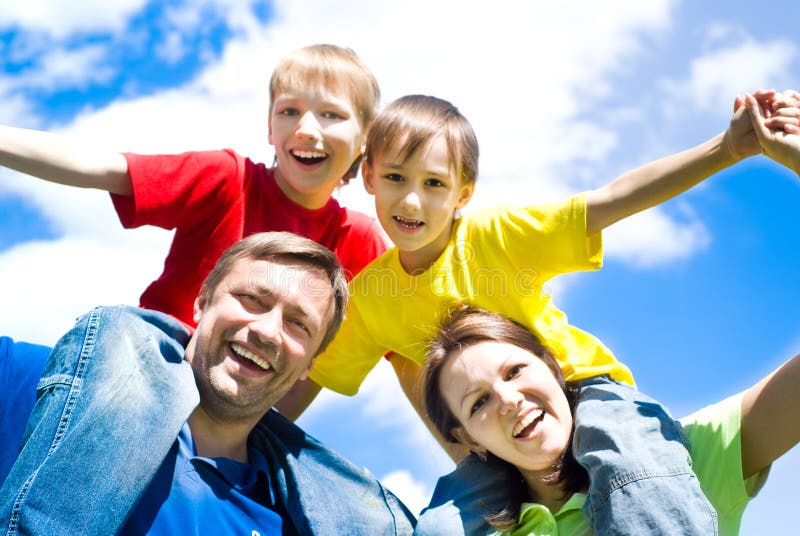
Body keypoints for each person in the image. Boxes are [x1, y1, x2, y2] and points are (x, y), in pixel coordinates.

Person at [275, 89, 800, 534]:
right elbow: (309, 382)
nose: (411, 202)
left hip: (586, 393)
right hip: (491, 448)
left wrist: (726, 147)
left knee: (631, 467)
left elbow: (611, 199)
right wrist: (225, 431)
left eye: (433, 183)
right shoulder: (370, 298)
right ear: (367, 175)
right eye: (395, 178)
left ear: (464, 192)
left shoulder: (495, 237)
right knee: (441, 522)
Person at [0, 232, 415, 535]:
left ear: (310, 364)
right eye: (253, 300)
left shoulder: (294, 520)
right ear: (201, 302)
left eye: (298, 325)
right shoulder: (55, 385)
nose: (268, 331)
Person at [0, 43, 385, 328]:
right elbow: (98, 165)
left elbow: (406, 334)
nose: (306, 129)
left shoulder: (358, 241)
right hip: (162, 355)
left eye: (331, 114)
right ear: (269, 127)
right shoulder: (229, 180)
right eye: (289, 111)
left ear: (365, 139)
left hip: (247, 400)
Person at [420, 303, 799, 535]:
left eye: (515, 371)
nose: (507, 399)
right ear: (469, 439)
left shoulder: (672, 459)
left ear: (553, 367)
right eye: (478, 403)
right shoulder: (485, 530)